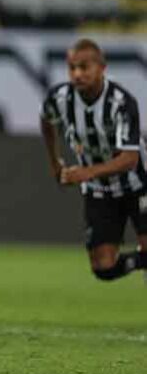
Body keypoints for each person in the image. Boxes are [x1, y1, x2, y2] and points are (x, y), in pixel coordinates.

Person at [41, 38, 147, 282]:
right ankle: (142, 261)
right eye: (72, 68)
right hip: (99, 190)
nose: (77, 74)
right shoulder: (60, 98)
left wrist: (87, 173)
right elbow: (46, 120)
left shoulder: (121, 103)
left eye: (84, 67)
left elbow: (129, 159)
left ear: (102, 68)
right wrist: (55, 161)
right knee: (103, 268)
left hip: (139, 183)